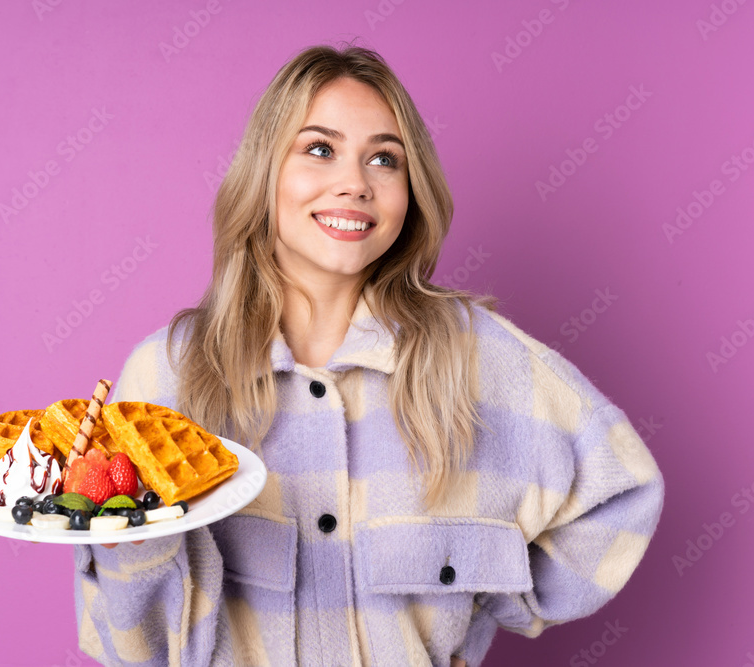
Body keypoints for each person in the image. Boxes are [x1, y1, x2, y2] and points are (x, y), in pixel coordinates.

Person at [72, 43, 665, 667]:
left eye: (384, 159)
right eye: (319, 149)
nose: (355, 183)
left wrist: (502, 598)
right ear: (264, 171)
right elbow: (127, 645)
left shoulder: (483, 361)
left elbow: (622, 489)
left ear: (411, 192)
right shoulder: (165, 377)